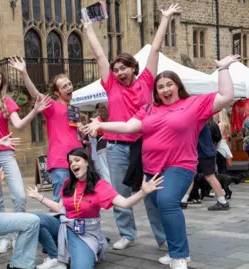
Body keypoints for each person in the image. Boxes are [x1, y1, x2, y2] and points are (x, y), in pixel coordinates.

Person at [84, 54, 240, 269]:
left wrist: (223, 69)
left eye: (169, 85)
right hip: (151, 169)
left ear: (178, 86)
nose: (165, 90)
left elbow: (226, 96)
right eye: (160, 87)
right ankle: (176, 248)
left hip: (179, 165)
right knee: (160, 205)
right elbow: (128, 126)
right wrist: (102, 126)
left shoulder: (193, 103)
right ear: (155, 92)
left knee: (167, 202)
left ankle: (179, 255)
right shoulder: (149, 109)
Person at [81, 3, 181, 250]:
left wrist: (166, 19)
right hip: (116, 148)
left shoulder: (147, 81)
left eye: (122, 68)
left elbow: (155, 49)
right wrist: (89, 30)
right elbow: (99, 56)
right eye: (115, 70)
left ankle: (163, 239)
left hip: (145, 146)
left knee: (152, 194)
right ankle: (127, 234)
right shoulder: (111, 85)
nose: (118, 72)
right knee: (120, 193)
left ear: (133, 67)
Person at [26, 148, 163, 269]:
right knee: (34, 220)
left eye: (77, 160)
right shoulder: (68, 183)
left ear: (86, 162)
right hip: (64, 225)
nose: (73, 164)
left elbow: (125, 203)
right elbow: (59, 207)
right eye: (70, 162)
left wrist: (143, 192)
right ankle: (55, 257)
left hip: (85, 232)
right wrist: (38, 197)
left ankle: (88, 248)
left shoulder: (100, 186)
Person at [0, 67, 51, 253]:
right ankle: (4, 237)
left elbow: (19, 124)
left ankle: (18, 232)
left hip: (5, 153)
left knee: (19, 195)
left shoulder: (6, 101)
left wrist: (35, 111)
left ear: (1, 83)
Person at [8, 58, 83, 203]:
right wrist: (24, 73)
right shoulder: (52, 106)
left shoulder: (74, 109)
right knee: (61, 203)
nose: (68, 88)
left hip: (77, 160)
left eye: (69, 84)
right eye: (64, 86)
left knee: (77, 203)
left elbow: (76, 135)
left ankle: (75, 227)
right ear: (57, 92)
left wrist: (83, 130)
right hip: (61, 161)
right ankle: (60, 226)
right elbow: (36, 95)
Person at [94, 104, 110, 185]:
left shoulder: (97, 119)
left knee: (104, 170)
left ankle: (109, 191)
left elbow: (94, 134)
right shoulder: (109, 118)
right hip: (110, 143)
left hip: (101, 144)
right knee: (111, 169)